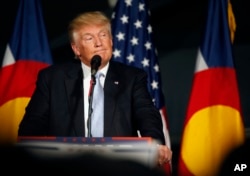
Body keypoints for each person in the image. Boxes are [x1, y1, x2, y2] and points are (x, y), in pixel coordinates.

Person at [18, 11, 172, 167]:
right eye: (89, 38)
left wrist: (155, 143)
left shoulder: (132, 77)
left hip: (117, 166)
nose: (99, 43)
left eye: (103, 35)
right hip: (66, 166)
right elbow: (33, 124)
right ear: (76, 49)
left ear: (111, 41)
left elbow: (146, 114)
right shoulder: (52, 79)